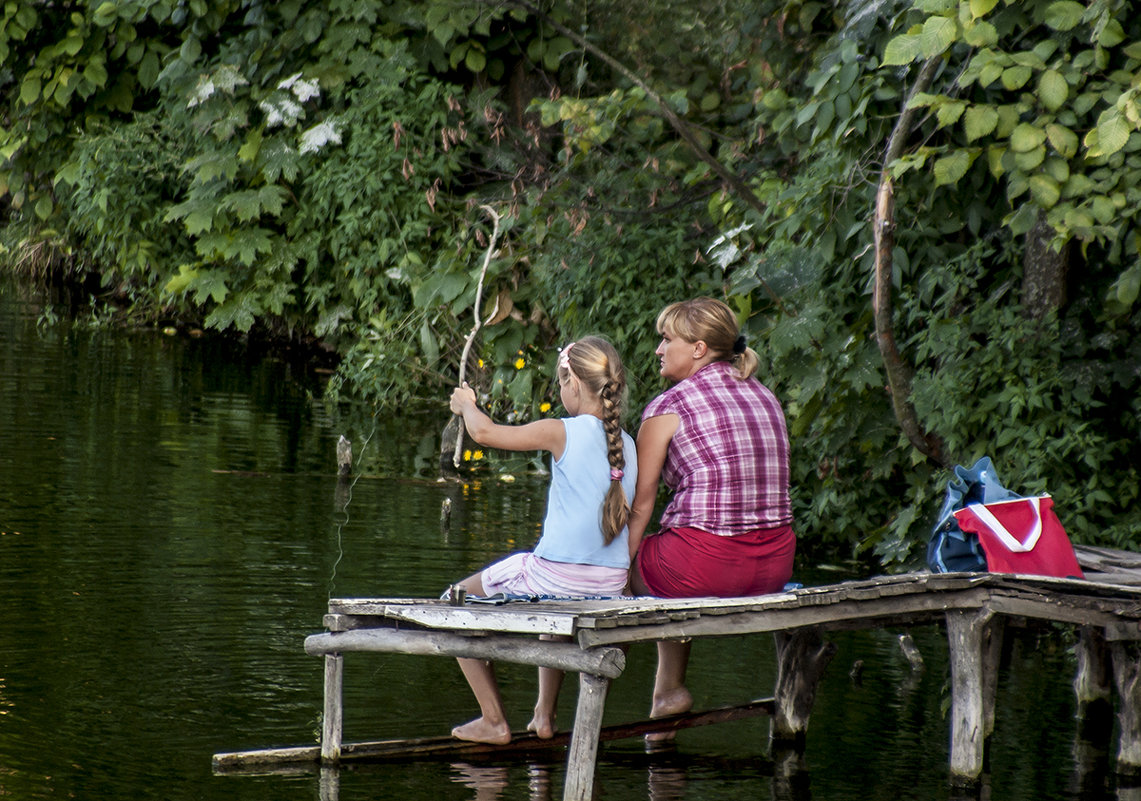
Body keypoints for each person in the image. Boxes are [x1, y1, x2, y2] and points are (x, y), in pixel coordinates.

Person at [446, 335, 638, 745]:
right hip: (608, 587)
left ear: (572, 383)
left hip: (557, 580)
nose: (560, 390)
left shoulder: (560, 431)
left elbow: (484, 433)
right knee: (553, 619)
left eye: (561, 381)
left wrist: (466, 405)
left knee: (453, 603)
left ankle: (493, 720)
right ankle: (543, 716)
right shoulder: (628, 445)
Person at [626, 297, 795, 728]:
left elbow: (642, 503)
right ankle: (666, 692)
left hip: (707, 567)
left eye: (667, 339)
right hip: (774, 563)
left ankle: (652, 688)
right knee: (670, 548)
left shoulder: (668, 406)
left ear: (699, 348)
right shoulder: (765, 395)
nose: (659, 350)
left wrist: (613, 563)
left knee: (623, 565)